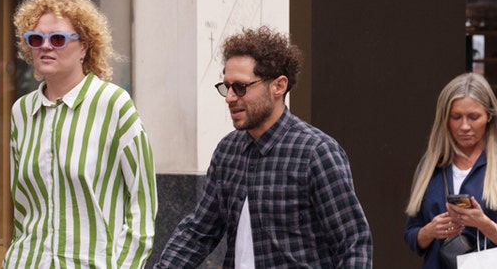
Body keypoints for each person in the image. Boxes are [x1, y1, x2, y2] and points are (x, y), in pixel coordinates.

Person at [155, 26, 372, 268]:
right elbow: (198, 232)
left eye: (241, 87)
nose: (229, 98)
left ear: (278, 86)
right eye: (226, 87)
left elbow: (353, 243)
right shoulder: (228, 152)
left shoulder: (316, 153)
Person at [2, 0, 157, 269]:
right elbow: (22, 208)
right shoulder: (22, 112)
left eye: (58, 38)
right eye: (36, 39)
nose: (46, 46)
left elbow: (143, 204)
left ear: (84, 45)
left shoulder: (113, 104)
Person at [404, 72, 497, 268]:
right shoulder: (431, 165)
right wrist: (431, 230)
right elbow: (411, 235)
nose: (464, 126)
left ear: (489, 115)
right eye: (456, 117)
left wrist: (483, 223)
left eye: (473, 117)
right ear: (445, 119)